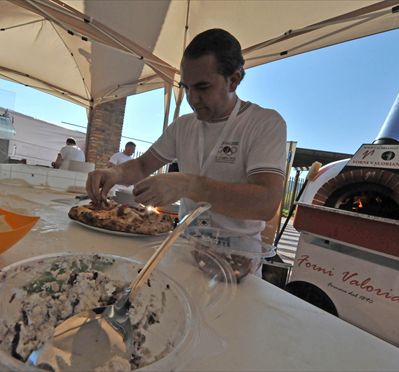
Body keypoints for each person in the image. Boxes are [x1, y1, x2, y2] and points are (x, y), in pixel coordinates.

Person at [86, 28, 286, 242]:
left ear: (234, 80)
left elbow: (267, 203)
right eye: (186, 88)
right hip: (184, 246)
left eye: (202, 87)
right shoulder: (183, 125)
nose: (192, 99)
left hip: (238, 257)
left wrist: (188, 185)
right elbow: (143, 166)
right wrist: (114, 173)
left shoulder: (264, 123)